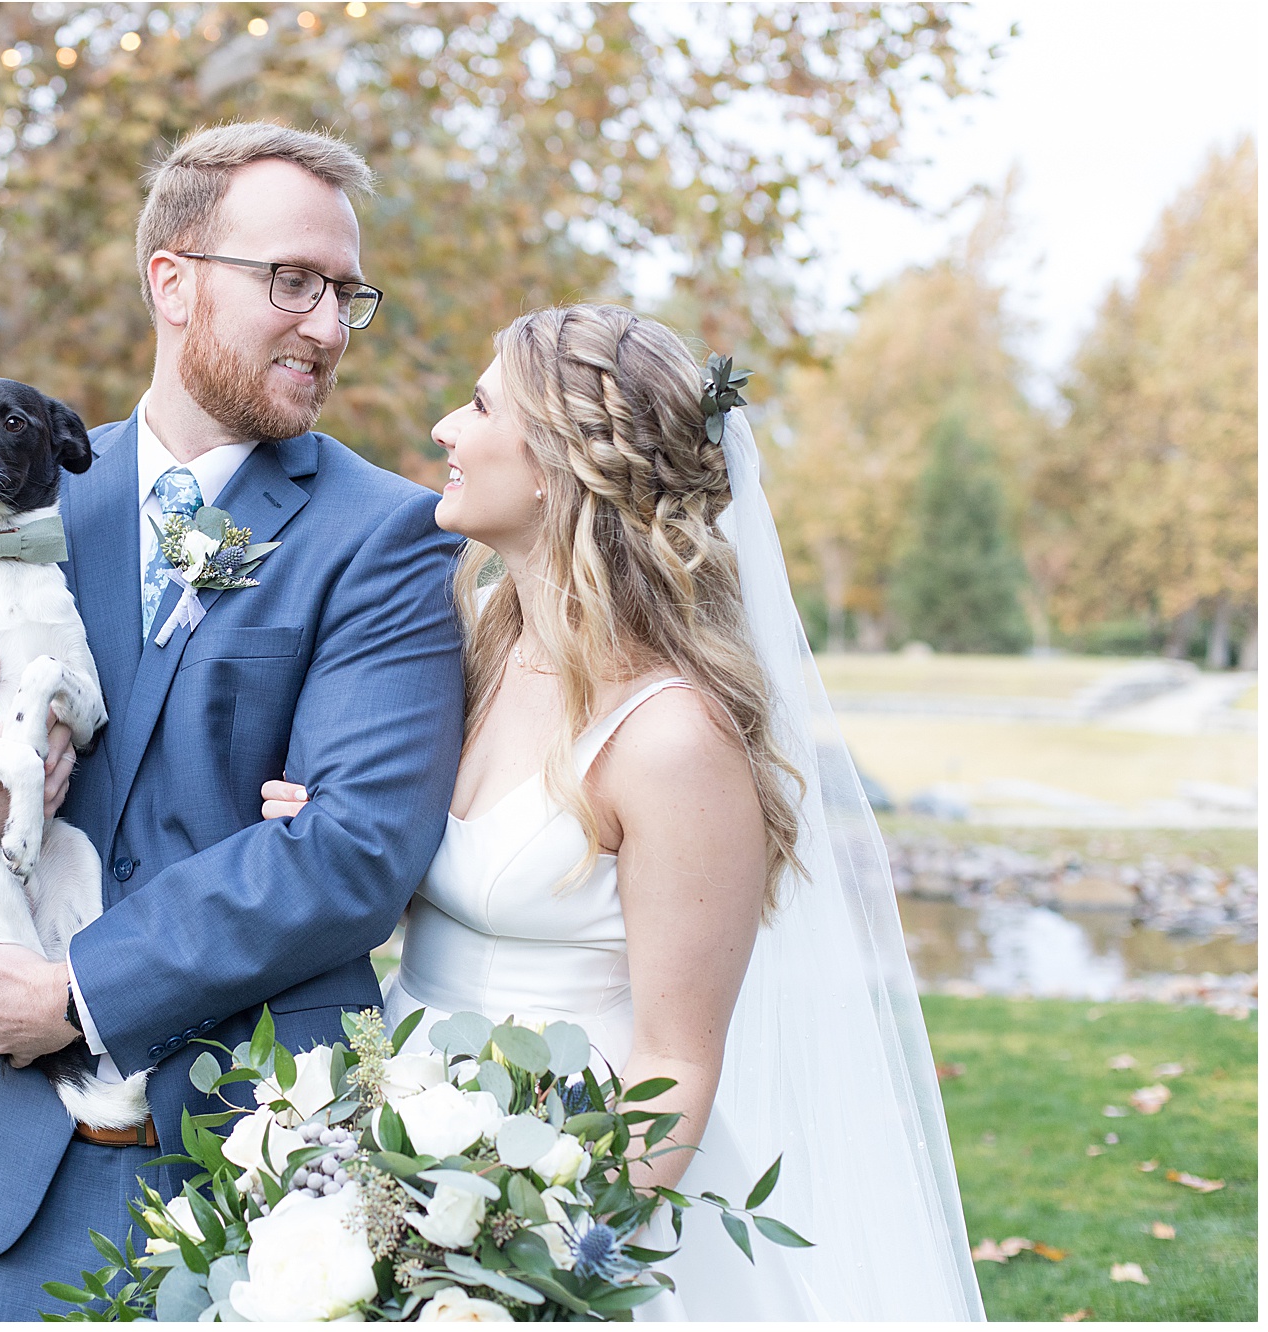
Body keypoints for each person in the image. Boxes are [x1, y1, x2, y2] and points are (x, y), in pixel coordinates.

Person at [0, 122, 465, 1320]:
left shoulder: (387, 533)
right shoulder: (5, 481)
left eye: (343, 294)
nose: (324, 324)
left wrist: (74, 991)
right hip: (5, 1185)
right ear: (171, 279)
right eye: (290, 283)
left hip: (263, 1183)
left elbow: (355, 848)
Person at [265, 303, 984, 1319]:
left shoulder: (669, 738)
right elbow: (408, 890)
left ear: (555, 463)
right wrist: (333, 828)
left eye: (476, 405)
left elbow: (677, 1059)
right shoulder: (471, 643)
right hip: (396, 1143)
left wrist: (542, 1260)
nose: (441, 430)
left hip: (582, 1179)